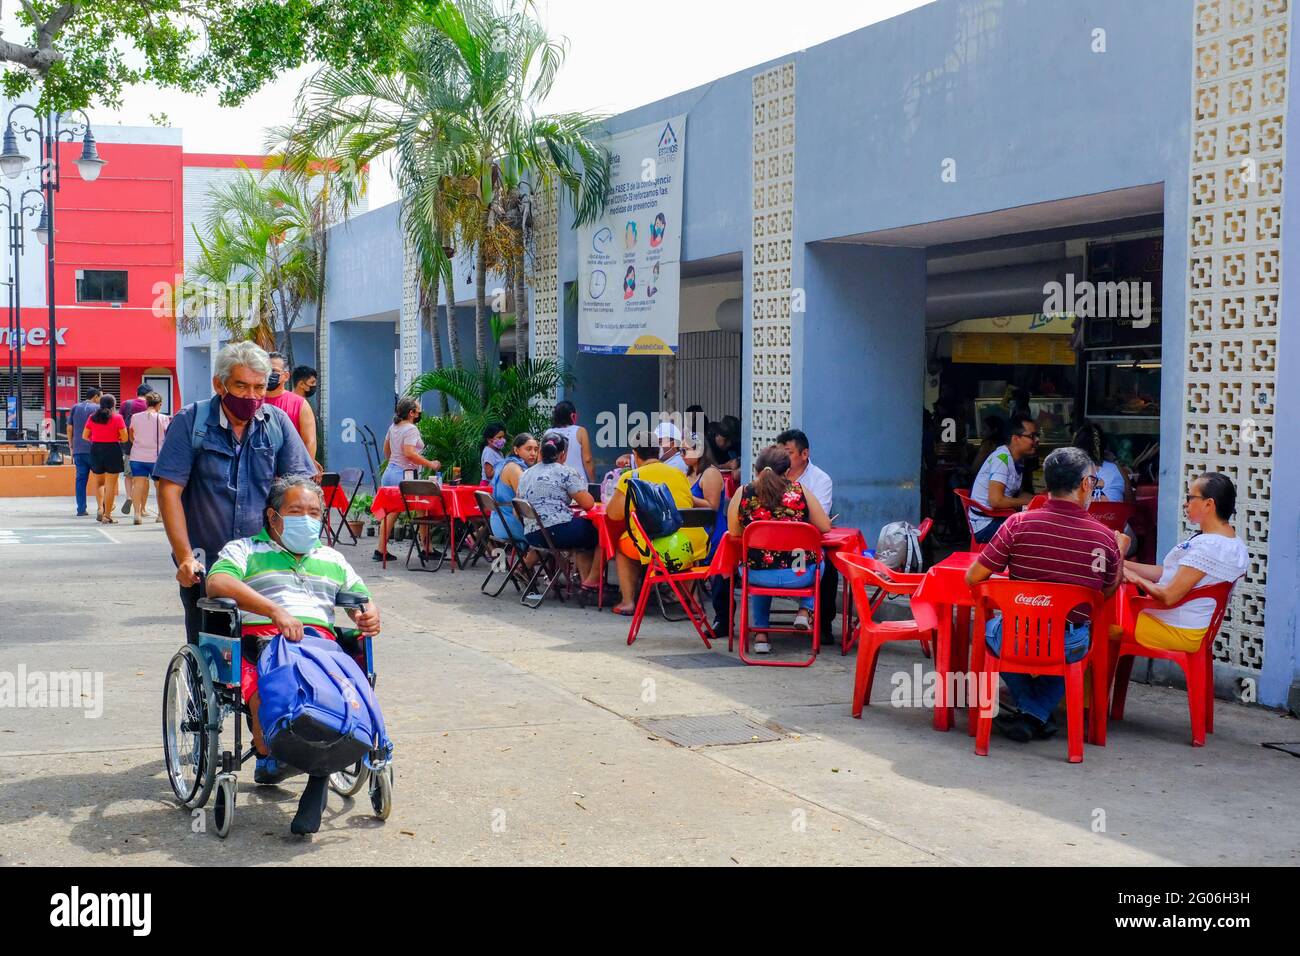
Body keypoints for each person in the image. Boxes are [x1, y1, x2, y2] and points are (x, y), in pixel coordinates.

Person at [206, 476, 381, 836]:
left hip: (322, 646)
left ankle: (317, 771)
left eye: (314, 512)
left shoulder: (332, 558)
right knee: (276, 701)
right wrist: (274, 611)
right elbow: (217, 583)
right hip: (265, 641)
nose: (308, 518)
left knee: (335, 693)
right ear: (273, 517)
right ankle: (304, 763)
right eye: (296, 511)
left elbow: (360, 599)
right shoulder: (245, 550)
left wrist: (367, 614)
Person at [154, 341, 316, 644]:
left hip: (267, 561)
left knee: (272, 647)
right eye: (241, 386)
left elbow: (300, 490)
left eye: (259, 387)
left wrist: (309, 545)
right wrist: (185, 556)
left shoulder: (276, 423)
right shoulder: (191, 422)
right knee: (213, 649)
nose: (252, 396)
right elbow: (169, 491)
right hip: (208, 562)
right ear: (219, 384)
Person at [965, 447, 1123, 742]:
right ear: (1086, 484)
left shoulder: (1017, 525)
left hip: (1015, 637)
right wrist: (1121, 554)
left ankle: (1030, 714)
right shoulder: (1104, 537)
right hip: (1069, 642)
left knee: (989, 633)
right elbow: (1106, 591)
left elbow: (973, 577)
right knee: (1077, 644)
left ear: (1045, 483)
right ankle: (1036, 713)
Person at [1122, 472, 1247, 652]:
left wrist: (1135, 578)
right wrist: (1122, 563)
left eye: (1190, 497)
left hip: (1174, 629)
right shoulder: (1230, 543)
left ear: (1208, 504)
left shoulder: (1210, 547)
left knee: (1101, 620)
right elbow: (1168, 573)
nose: (1185, 503)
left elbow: (1168, 596)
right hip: (1186, 625)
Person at [726, 445, 832, 652]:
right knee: (821, 557)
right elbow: (825, 526)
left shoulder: (744, 493)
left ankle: (761, 635)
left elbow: (734, 531)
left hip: (756, 575)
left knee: (757, 562)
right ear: (786, 471)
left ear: (756, 469)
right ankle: (804, 610)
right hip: (799, 573)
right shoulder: (800, 492)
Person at [606, 431, 710, 615]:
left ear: (635, 454)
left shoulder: (632, 476)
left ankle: (628, 601)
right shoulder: (679, 474)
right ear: (658, 452)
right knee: (681, 545)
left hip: (656, 546)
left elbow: (613, 514)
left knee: (623, 546)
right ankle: (694, 601)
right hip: (690, 543)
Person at [518, 432, 603, 594]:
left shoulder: (526, 474)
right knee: (599, 534)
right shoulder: (565, 472)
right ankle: (591, 582)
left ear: (541, 452)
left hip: (532, 534)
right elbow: (588, 503)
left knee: (582, 534)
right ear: (563, 454)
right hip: (555, 533)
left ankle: (585, 582)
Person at [776, 428, 838, 644]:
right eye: (780, 453)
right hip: (771, 549)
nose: (783, 458)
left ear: (805, 454)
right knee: (743, 561)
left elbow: (819, 520)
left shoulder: (820, 479)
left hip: (802, 551)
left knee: (827, 567)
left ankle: (822, 624)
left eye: (788, 453)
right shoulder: (770, 476)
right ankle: (728, 622)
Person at [379, 397, 442, 562]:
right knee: (419, 507)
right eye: (418, 410)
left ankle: (381, 549)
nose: (420, 412)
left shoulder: (394, 427)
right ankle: (426, 548)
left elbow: (386, 449)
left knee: (392, 512)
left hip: (390, 471)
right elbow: (409, 453)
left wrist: (393, 462)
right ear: (411, 413)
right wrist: (431, 464)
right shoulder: (411, 429)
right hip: (404, 474)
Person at [685, 436, 731, 637]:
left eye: (685, 450)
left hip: (714, 533)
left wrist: (688, 498)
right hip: (695, 532)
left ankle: (723, 618)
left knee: (719, 579)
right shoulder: (688, 473)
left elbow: (712, 506)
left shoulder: (710, 473)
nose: (682, 455)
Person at [967, 415, 1039, 543]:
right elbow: (996, 501)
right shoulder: (1002, 459)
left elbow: (1018, 494)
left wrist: (1038, 500)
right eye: (1032, 436)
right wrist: (1027, 502)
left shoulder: (1017, 460)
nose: (1037, 440)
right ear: (1015, 438)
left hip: (999, 518)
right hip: (986, 525)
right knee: (1035, 530)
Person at [265, 351, 320, 471]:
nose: (268, 374)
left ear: (286, 376)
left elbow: (309, 441)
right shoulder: (254, 402)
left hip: (291, 475)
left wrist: (304, 472)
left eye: (274, 371)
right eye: (265, 370)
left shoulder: (300, 404)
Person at [126, 391, 170, 525]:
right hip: (157, 457)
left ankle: (137, 514)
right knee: (159, 487)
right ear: (159, 405)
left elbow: (131, 436)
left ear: (147, 403)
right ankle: (160, 515)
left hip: (138, 456)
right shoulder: (163, 418)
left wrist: (139, 444)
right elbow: (167, 437)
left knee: (138, 485)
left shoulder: (135, 417)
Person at [83, 394, 128, 523]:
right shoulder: (118, 418)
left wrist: (96, 438)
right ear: (113, 405)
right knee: (111, 485)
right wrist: (115, 438)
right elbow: (124, 438)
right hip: (113, 450)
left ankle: (99, 509)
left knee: (99, 483)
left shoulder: (92, 417)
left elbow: (85, 436)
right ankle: (107, 515)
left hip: (96, 449)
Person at [490, 432, 539, 543]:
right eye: (528, 449)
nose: (533, 454)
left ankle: (528, 560)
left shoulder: (506, 463)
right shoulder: (514, 468)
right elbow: (526, 500)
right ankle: (529, 560)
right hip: (510, 523)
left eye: (536, 450)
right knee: (548, 535)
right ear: (516, 450)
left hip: (500, 521)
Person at [1073, 423, 1131, 503]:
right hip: (1114, 515)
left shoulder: (1069, 471)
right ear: (1104, 447)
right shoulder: (1117, 469)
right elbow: (1130, 503)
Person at [118, 384, 152, 516]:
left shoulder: (126, 404)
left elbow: (120, 422)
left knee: (128, 474)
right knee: (143, 479)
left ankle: (129, 496)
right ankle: (142, 509)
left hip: (128, 445)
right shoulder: (150, 405)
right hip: (146, 446)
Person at [68, 386, 102, 517]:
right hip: (94, 449)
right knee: (100, 480)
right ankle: (102, 507)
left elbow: (70, 428)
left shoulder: (75, 407)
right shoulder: (98, 409)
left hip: (78, 449)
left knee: (80, 480)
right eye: (100, 397)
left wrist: (71, 445)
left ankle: (81, 509)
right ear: (95, 397)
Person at [548, 400, 594, 484]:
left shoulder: (548, 433)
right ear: (572, 415)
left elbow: (540, 459)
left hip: (553, 480)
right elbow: (587, 459)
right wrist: (593, 482)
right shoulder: (580, 431)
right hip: (578, 480)